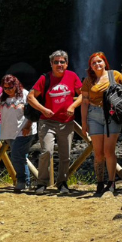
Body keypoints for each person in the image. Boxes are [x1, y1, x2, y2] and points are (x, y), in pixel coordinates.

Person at [28, 50, 83, 195]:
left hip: (67, 122)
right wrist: (43, 109)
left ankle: (62, 182)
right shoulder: (44, 78)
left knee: (65, 155)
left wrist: (73, 106)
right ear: (51, 64)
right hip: (47, 121)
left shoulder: (72, 76)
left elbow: (84, 94)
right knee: (46, 151)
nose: (59, 64)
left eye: (62, 62)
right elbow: (30, 97)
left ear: (67, 63)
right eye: (56, 62)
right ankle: (41, 182)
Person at [81, 51, 122, 195]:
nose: (97, 64)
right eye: (93, 63)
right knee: (98, 153)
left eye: (99, 61)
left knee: (109, 151)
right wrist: (84, 123)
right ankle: (100, 182)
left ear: (104, 62)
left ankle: (111, 183)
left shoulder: (115, 75)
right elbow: (84, 102)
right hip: (94, 115)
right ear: (90, 66)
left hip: (112, 115)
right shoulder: (88, 80)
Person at [0, 74, 37, 193]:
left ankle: (22, 181)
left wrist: (28, 126)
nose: (8, 90)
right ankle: (25, 182)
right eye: (5, 88)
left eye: (10, 87)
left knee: (16, 156)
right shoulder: (2, 97)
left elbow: (33, 111)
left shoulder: (25, 94)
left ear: (16, 85)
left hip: (24, 130)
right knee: (21, 157)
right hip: (9, 132)